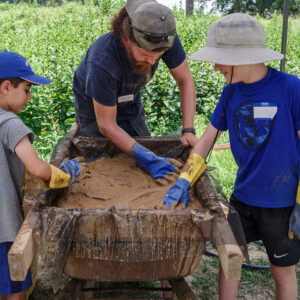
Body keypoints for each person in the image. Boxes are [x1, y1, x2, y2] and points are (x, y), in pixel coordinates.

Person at [163, 13, 300, 300]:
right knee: (231, 258)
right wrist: (185, 178)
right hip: (243, 196)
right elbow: (207, 139)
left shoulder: (290, 88)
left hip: (283, 201)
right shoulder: (229, 94)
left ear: (242, 57)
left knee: (281, 270)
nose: (214, 67)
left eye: (219, 60)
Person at [73, 0, 197, 183]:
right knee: (100, 165)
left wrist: (188, 130)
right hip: (94, 110)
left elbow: (185, 81)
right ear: (127, 38)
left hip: (130, 101)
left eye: (158, 56)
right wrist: (147, 158)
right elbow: (106, 125)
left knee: (142, 155)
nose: (152, 62)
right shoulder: (102, 60)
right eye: (146, 55)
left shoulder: (162, 37)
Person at [0, 51, 80, 300]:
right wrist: (63, 176)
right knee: (17, 287)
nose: (29, 96)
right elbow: (37, 168)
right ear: (5, 87)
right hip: (3, 225)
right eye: (26, 89)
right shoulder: (9, 123)